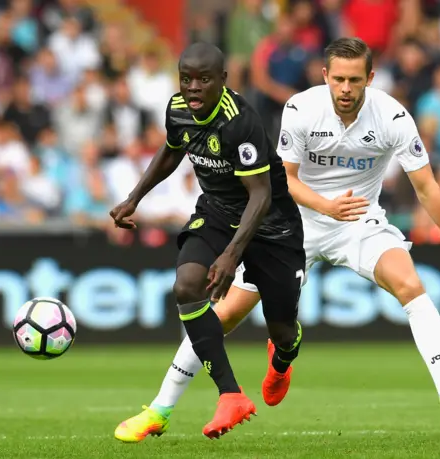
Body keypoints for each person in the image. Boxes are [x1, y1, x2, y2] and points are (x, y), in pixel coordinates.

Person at [116, 37, 440, 441]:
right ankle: (160, 410)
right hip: (292, 226)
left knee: (411, 286)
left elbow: (428, 189)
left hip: (360, 223)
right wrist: (326, 206)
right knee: (220, 315)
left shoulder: (394, 118)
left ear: (370, 78)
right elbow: (284, 181)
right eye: (338, 80)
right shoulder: (301, 109)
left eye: (355, 80)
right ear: (325, 76)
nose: (346, 89)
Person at [110, 42, 306, 439]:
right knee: (186, 287)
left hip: (272, 226)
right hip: (217, 211)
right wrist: (134, 197)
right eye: (186, 79)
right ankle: (230, 394)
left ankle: (283, 356)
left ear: (223, 81)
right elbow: (171, 151)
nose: (193, 88)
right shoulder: (177, 109)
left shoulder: (241, 122)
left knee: (283, 330)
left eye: (203, 80)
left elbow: (261, 195)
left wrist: (232, 254)